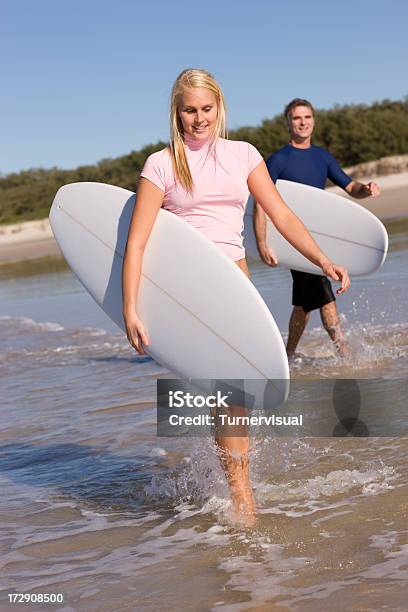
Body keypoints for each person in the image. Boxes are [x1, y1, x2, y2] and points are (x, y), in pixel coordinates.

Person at [122, 72, 350, 523]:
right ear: (177, 112)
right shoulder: (161, 164)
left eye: (207, 109)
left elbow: (281, 213)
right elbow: (137, 242)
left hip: (236, 283)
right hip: (190, 288)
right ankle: (242, 494)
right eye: (190, 110)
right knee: (228, 390)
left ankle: (229, 477)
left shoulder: (242, 154)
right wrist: (131, 308)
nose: (199, 118)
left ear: (219, 107)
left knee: (236, 391)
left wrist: (322, 260)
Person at [254, 98, 380, 358]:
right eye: (297, 118)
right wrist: (263, 244)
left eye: (307, 117)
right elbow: (261, 203)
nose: (303, 122)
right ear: (288, 122)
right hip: (294, 240)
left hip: (318, 239)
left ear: (314, 120)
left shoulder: (322, 157)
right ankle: (343, 351)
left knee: (303, 304)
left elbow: (350, 186)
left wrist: (365, 190)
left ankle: (287, 355)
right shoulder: (278, 160)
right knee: (323, 293)